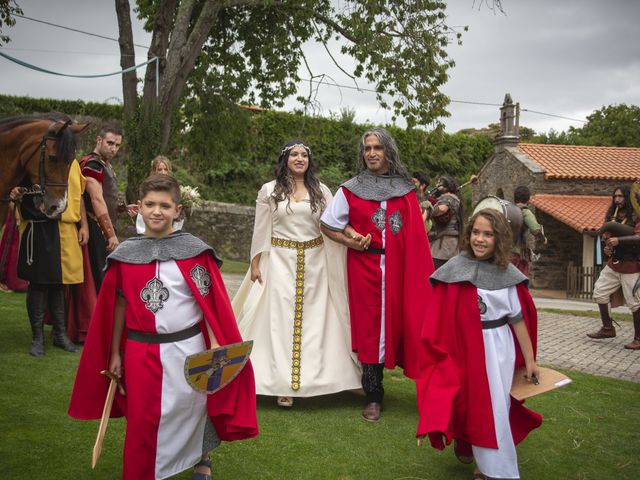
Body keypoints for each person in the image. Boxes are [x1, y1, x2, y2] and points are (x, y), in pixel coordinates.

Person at [69, 174, 258, 480]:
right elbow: (118, 305)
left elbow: (211, 307)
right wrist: (114, 353)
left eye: (165, 205)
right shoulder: (126, 256)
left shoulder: (194, 252)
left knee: (192, 408)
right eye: (150, 204)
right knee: (143, 418)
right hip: (140, 350)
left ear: (178, 210)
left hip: (188, 349)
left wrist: (216, 348)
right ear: (138, 208)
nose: (157, 211)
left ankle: (201, 459)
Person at [232, 140, 361, 408]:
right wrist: (255, 264)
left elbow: (335, 222)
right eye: (294, 154)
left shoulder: (321, 190)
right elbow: (260, 229)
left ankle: (317, 381)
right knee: (278, 320)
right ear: (286, 159)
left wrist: (352, 235)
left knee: (316, 322)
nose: (300, 158)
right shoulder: (270, 190)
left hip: (316, 263)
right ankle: (280, 384)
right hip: (279, 261)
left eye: (304, 154)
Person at [416, 208, 542, 480]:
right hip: (464, 349)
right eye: (475, 232)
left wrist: (530, 360)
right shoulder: (454, 270)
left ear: (499, 239)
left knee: (495, 407)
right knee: (465, 402)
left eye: (488, 234)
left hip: (498, 349)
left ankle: (492, 470)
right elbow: (439, 317)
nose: (480, 239)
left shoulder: (507, 275)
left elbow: (518, 320)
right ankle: (467, 442)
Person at [320, 127, 434, 422]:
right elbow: (328, 224)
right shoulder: (350, 188)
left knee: (404, 321)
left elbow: (416, 238)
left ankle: (430, 386)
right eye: (367, 148)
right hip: (364, 267)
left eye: (377, 148)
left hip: (399, 269)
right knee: (370, 329)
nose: (371, 153)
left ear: (388, 152)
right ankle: (373, 394)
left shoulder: (407, 191)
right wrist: (350, 240)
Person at [11, 157, 88, 356]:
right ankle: (37, 338)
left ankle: (60, 335)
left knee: (59, 283)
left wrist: (84, 225)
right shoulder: (31, 161)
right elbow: (15, 187)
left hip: (63, 229)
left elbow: (77, 196)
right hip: (37, 228)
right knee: (38, 283)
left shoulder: (71, 163)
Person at [587, 186, 640, 350]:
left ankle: (639, 338)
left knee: (635, 302)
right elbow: (608, 237)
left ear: (628, 198)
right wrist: (608, 247)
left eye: (621, 196)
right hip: (615, 262)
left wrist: (620, 241)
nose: (617, 199)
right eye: (615, 196)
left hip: (632, 263)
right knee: (600, 292)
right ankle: (608, 328)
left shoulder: (637, 215)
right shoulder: (612, 214)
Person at [81, 123, 123, 292]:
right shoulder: (92, 164)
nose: (114, 148)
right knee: (101, 279)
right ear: (99, 140)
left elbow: (105, 197)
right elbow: (96, 199)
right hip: (95, 227)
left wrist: (122, 208)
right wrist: (110, 234)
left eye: (117, 145)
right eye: (110, 143)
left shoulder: (102, 163)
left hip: (99, 226)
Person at [130, 156, 185, 234]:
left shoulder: (175, 188)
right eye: (159, 169)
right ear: (154, 171)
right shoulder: (147, 187)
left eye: (165, 169)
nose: (163, 172)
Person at [428, 175, 463, 269]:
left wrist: (428, 208)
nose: (437, 185)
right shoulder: (446, 197)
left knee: (439, 274)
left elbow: (442, 210)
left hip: (445, 243)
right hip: (442, 241)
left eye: (440, 183)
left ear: (447, 186)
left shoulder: (449, 197)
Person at [511, 185, 546, 276]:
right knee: (521, 282)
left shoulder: (508, 211)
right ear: (528, 199)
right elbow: (535, 230)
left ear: (515, 198)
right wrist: (543, 239)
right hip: (517, 254)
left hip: (503, 252)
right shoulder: (525, 212)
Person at [0, 203, 28, 292]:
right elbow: (12, 202)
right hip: (15, 219)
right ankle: (6, 281)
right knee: (11, 249)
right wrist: (17, 217)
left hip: (23, 218)